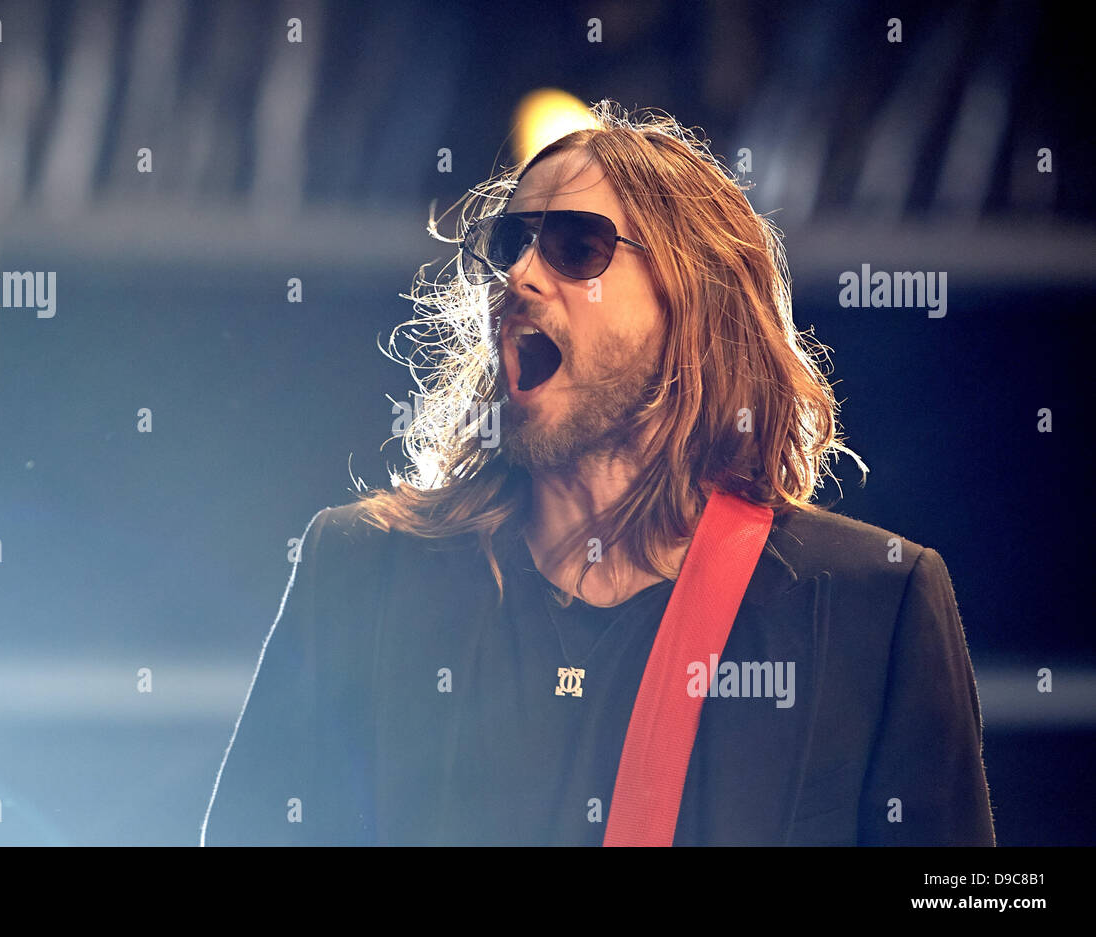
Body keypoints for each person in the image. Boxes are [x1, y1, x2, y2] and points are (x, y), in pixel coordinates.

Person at [201, 101, 995, 846]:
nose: (519, 277)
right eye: (512, 245)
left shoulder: (873, 602)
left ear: (694, 299)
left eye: (577, 246)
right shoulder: (362, 570)